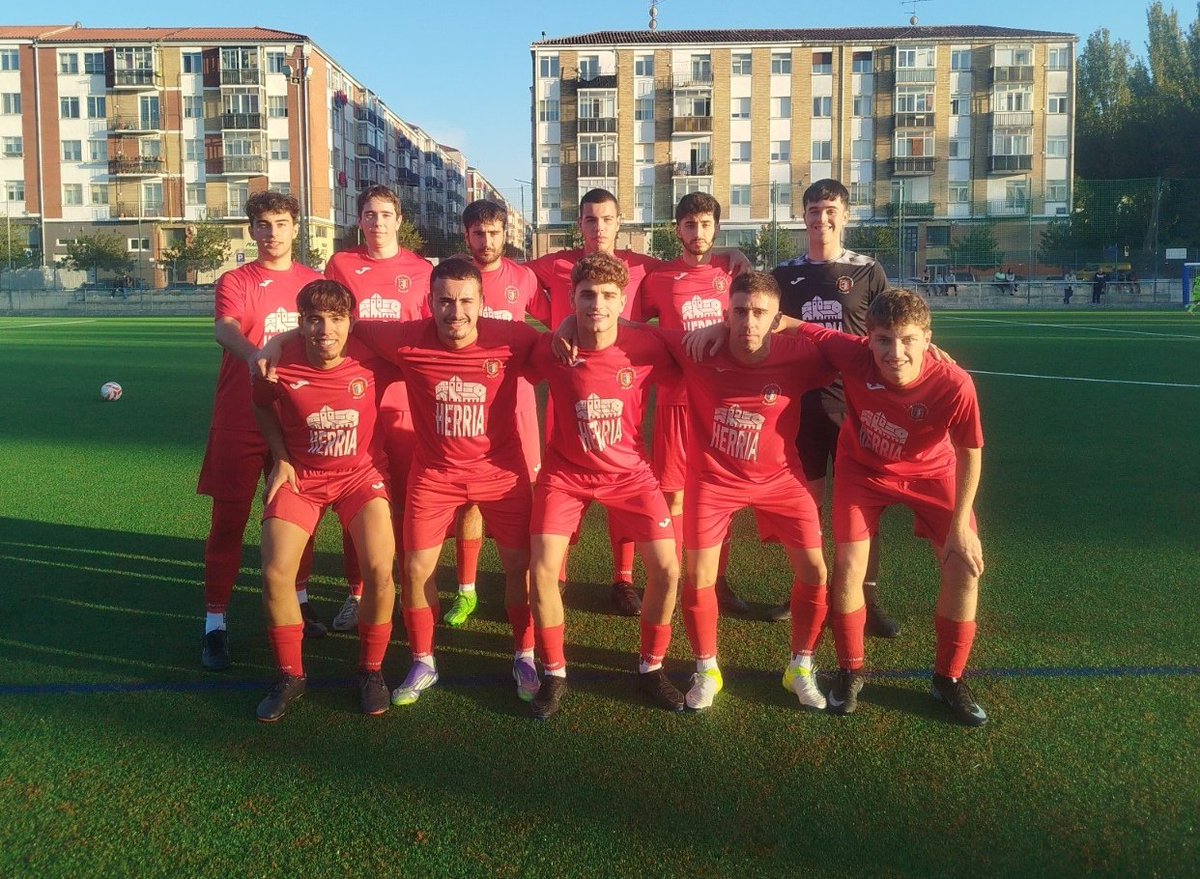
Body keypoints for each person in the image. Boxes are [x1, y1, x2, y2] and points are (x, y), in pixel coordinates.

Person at [527, 188, 751, 615]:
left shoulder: (643, 267)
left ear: (619, 222)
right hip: (570, 388)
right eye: (590, 219)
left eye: (607, 219)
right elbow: (507, 275)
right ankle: (557, 577)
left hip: (629, 385)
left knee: (626, 482)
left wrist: (730, 251)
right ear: (580, 224)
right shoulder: (555, 263)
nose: (599, 227)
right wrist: (564, 324)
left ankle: (625, 578)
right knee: (565, 485)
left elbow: (693, 260)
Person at [790, 289, 988, 727]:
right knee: (848, 566)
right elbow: (791, 324)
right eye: (883, 340)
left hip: (933, 473)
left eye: (908, 340)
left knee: (964, 566)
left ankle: (948, 679)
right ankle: (850, 671)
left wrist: (961, 526)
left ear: (927, 339)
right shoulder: (853, 353)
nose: (895, 352)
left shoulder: (954, 383)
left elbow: (970, 452)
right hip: (863, 471)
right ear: (868, 338)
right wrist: (721, 331)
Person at [525, 252, 686, 720]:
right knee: (542, 572)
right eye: (587, 295)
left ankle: (651, 667)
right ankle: (554, 673)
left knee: (668, 569)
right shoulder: (551, 349)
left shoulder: (647, 344)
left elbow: (697, 350)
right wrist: (561, 329)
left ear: (622, 301)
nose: (597, 304)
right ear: (572, 298)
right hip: (565, 475)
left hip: (630, 474)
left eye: (608, 296)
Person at [665, 272, 835, 710]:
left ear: (777, 319)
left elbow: (855, 350)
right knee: (698, 576)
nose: (749, 322)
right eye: (739, 311)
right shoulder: (699, 348)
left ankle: (800, 666)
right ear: (727, 313)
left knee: (815, 572)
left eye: (760, 313)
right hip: (713, 481)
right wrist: (569, 324)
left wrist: (928, 354)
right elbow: (629, 333)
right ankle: (707, 668)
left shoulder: (798, 356)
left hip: (781, 480)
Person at [251, 280, 396, 722]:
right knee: (275, 572)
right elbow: (262, 406)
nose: (325, 330)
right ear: (301, 323)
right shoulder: (276, 363)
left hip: (360, 477)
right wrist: (280, 457)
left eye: (336, 319)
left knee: (379, 569)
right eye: (315, 320)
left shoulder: (373, 356)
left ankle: (370, 671)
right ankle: (290, 675)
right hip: (303, 477)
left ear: (351, 321)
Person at [196, 191, 324, 672]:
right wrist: (254, 355)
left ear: (296, 228)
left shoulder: (313, 283)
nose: (272, 233)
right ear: (252, 230)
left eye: (281, 223)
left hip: (294, 420)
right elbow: (224, 328)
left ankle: (301, 601)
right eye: (263, 224)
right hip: (238, 417)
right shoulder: (236, 280)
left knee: (299, 519)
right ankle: (215, 623)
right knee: (228, 523)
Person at [770, 179, 899, 637]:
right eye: (813, 210)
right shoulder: (784, 274)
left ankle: (866, 597)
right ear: (802, 216)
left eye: (830, 210)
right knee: (805, 506)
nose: (821, 219)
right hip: (801, 406)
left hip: (856, 406)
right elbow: (766, 326)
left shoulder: (867, 271)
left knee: (861, 507)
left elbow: (892, 330)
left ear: (845, 215)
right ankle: (805, 592)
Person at [323, 185, 433, 632]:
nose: (378, 222)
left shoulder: (421, 270)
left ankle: (407, 590)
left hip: (405, 400)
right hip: (356, 397)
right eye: (369, 214)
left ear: (399, 220)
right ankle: (357, 592)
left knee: (406, 500)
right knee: (356, 499)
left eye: (386, 214)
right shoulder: (341, 265)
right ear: (359, 221)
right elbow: (326, 322)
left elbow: (428, 332)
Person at [636, 192, 745, 615]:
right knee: (675, 496)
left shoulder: (732, 271)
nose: (697, 232)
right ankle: (673, 576)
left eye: (705, 224)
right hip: (676, 402)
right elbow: (632, 323)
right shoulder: (660, 278)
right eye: (689, 225)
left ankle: (719, 581)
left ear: (716, 227)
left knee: (724, 494)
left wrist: (735, 255)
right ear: (677, 229)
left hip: (723, 402)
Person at [441, 199, 542, 630]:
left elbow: (557, 318)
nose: (487, 241)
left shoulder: (524, 278)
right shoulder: (453, 279)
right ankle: (466, 590)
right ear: (467, 235)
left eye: (494, 232)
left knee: (525, 498)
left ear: (506, 233)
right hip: (467, 410)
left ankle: (524, 587)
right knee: (468, 503)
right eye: (478, 233)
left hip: (517, 407)